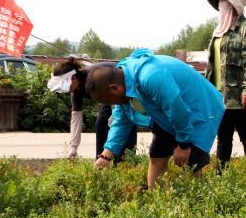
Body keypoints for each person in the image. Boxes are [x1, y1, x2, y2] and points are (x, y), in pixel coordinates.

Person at [87, 49, 225, 189]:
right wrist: (106, 156)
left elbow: (177, 109)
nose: (108, 104)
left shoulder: (150, 76)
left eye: (106, 100)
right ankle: (157, 197)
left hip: (201, 107)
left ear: (114, 88)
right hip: (168, 114)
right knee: (157, 155)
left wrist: (184, 144)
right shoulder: (124, 81)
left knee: (191, 162)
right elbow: (121, 122)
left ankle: (205, 199)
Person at [204, 0, 246, 166]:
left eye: (223, 0)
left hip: (239, 96)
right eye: (220, 0)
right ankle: (221, 177)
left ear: (233, 2)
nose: (220, 3)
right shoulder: (219, 31)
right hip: (219, 96)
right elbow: (212, 65)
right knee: (223, 139)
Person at [48, 57, 136, 160]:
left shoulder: (93, 77)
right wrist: (73, 147)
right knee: (101, 124)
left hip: (124, 89)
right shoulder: (76, 91)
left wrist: (115, 115)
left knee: (121, 122)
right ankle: (102, 159)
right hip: (108, 98)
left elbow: (113, 94)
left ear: (73, 78)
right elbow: (76, 117)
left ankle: (127, 159)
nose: (66, 91)